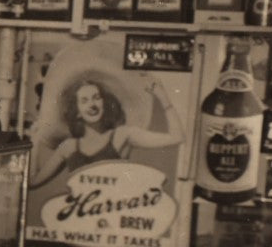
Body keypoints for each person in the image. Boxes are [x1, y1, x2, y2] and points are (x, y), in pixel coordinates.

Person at [30, 75, 183, 189]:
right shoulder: (68, 147)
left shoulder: (122, 135)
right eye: (85, 101)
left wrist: (162, 96)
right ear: (77, 112)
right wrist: (34, 141)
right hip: (77, 223)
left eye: (96, 98)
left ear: (104, 103)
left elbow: (176, 137)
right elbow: (32, 182)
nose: (92, 105)